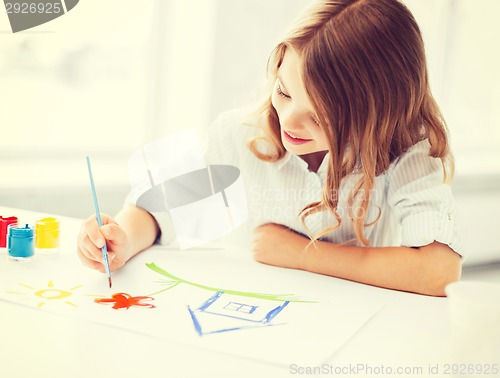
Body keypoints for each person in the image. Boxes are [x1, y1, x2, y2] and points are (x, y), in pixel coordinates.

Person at [77, 0, 463, 297]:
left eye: (321, 117)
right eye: (284, 91)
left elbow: (439, 270)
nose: (289, 123)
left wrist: (302, 254)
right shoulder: (241, 132)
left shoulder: (408, 150)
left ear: (377, 117)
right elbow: (157, 210)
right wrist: (121, 238)